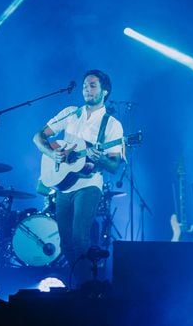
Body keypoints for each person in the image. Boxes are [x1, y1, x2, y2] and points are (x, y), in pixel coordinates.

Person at [33, 69, 124, 287]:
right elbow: (39, 136)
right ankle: (84, 285)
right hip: (63, 185)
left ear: (105, 91)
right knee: (65, 244)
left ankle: (89, 289)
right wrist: (52, 153)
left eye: (93, 85)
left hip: (89, 185)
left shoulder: (112, 125)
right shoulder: (70, 113)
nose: (87, 89)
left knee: (80, 239)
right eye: (85, 85)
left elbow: (113, 165)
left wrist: (99, 158)